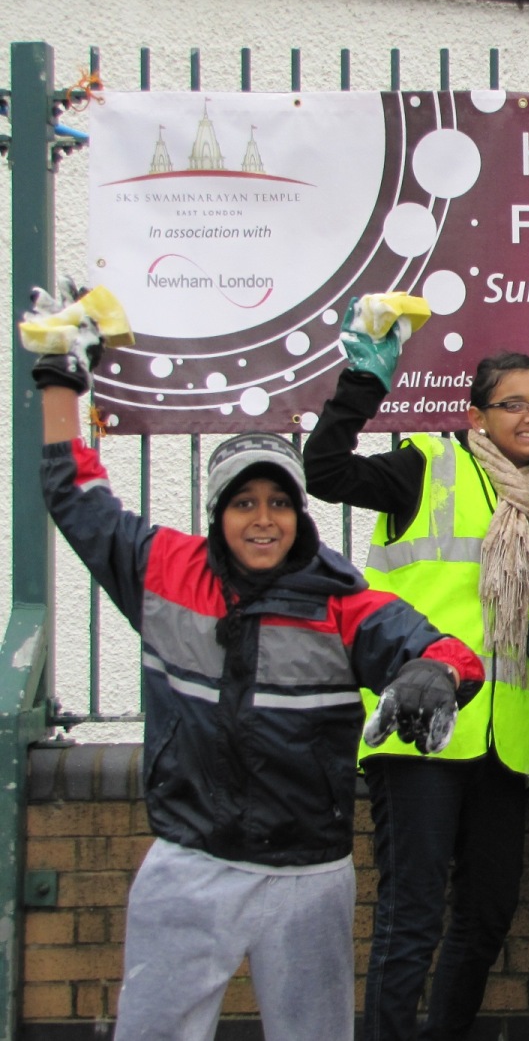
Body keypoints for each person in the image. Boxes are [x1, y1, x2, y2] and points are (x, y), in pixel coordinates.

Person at [25, 287, 484, 1041]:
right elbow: (75, 493)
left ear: (300, 512)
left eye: (280, 501)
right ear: (217, 513)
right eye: (244, 503)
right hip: (188, 862)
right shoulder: (163, 569)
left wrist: (433, 675)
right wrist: (59, 380)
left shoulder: (338, 599)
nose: (263, 518)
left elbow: (443, 648)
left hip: (307, 876)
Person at [305, 301, 529, 1041]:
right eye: (513, 404)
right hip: (422, 729)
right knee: (412, 915)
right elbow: (322, 470)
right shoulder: (425, 466)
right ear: (476, 414)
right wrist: (363, 379)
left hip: (504, 738)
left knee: (487, 913)